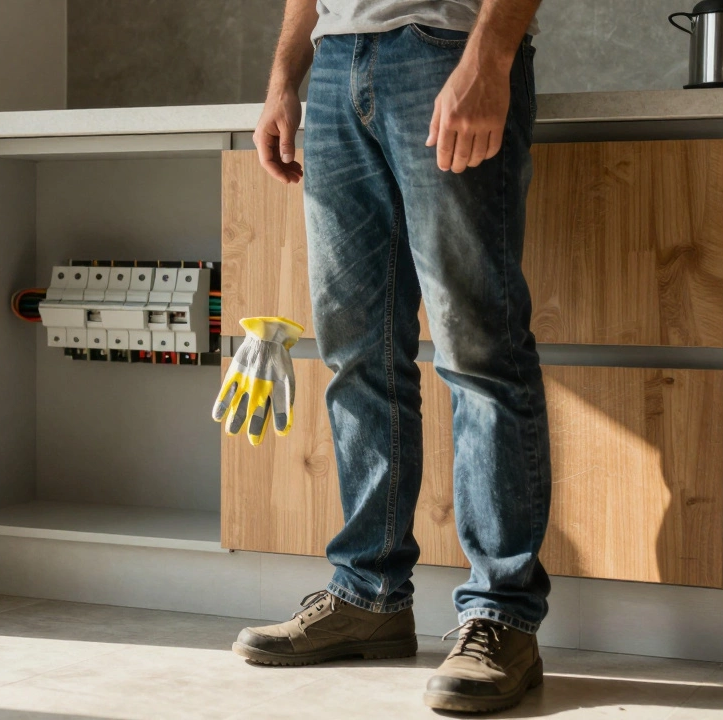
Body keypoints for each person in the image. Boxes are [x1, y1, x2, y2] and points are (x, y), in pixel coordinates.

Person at [230, 0, 551, 713]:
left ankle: (502, 615)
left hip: (446, 49)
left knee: (478, 351)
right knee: (356, 353)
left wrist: (489, 56)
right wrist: (287, 76)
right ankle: (368, 595)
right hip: (338, 61)